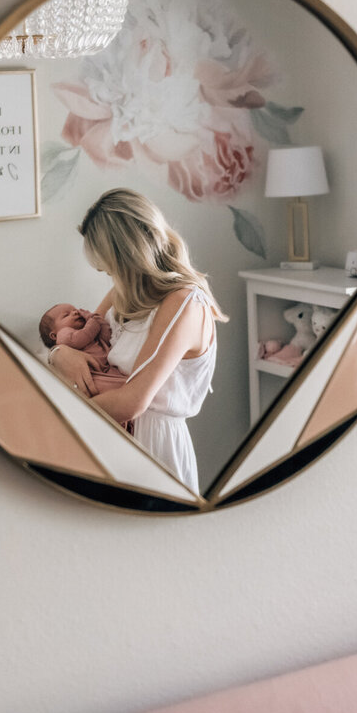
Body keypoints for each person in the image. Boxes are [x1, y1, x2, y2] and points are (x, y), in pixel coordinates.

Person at [48, 188, 226, 491]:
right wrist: (58, 354)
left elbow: (133, 401)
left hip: (154, 447)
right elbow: (77, 344)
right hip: (111, 434)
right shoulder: (124, 292)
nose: (108, 275)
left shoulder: (185, 304)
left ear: (126, 257)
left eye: (110, 266)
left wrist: (57, 417)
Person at [38, 303, 127, 396]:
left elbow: (107, 335)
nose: (75, 312)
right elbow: (82, 337)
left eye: (75, 310)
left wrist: (98, 320)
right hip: (91, 374)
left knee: (124, 381)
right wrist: (92, 319)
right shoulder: (63, 335)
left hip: (106, 369)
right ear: (54, 335)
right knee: (116, 387)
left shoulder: (88, 330)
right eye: (66, 315)